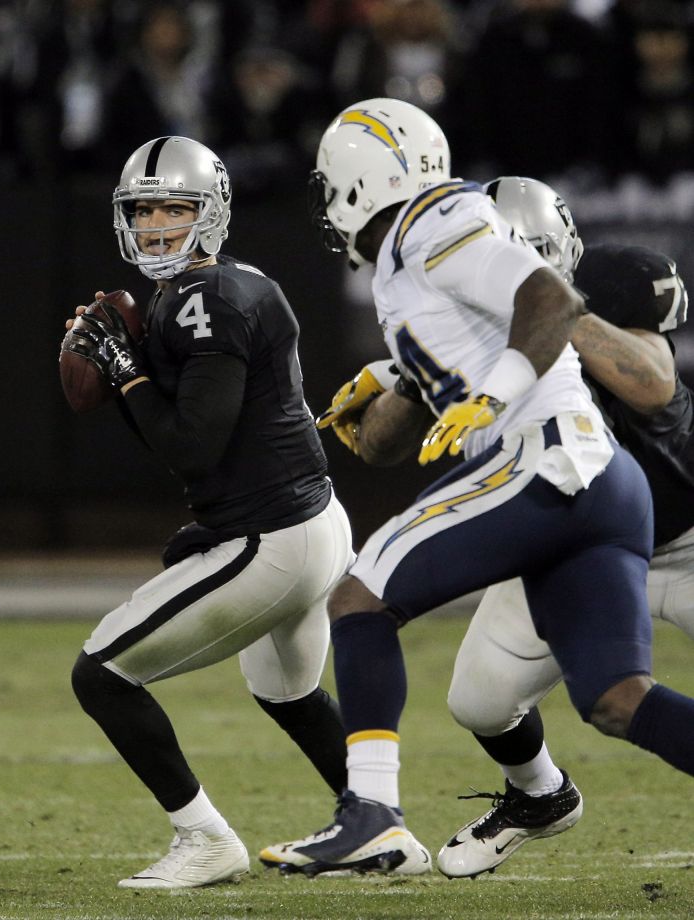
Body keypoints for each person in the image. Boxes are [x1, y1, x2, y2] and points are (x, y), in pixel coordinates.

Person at [258, 97, 694, 878]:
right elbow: (402, 431)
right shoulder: (412, 261)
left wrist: (494, 394)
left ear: (360, 180)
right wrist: (384, 396)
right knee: (618, 699)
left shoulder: (433, 220)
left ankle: (373, 816)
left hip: (548, 457)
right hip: (601, 486)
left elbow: (553, 302)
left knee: (360, 597)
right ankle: (466, 804)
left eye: (332, 184)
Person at [64, 135, 355, 889]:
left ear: (211, 212)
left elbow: (191, 447)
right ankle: (375, 822)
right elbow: (201, 437)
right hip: (310, 523)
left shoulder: (204, 300)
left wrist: (125, 371)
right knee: (286, 692)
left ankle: (205, 840)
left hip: (274, 539)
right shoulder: (220, 286)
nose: (159, 225)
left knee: (102, 674)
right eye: (145, 209)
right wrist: (130, 374)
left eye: (175, 207)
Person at [436, 176, 693, 879]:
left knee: (617, 700)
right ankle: (539, 797)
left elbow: (652, 382)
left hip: (687, 538)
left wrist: (551, 309)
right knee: (480, 700)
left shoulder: (608, 284)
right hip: (580, 548)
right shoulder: (455, 333)